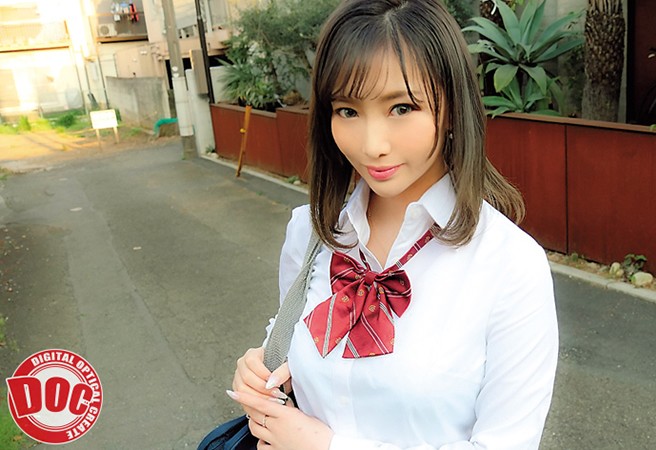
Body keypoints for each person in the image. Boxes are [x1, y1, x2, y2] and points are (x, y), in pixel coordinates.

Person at [226, 0, 559, 448]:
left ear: (452, 107)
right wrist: (262, 369)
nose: (372, 145)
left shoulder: (510, 265)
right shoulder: (310, 234)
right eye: (347, 111)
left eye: (401, 108)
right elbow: (296, 357)